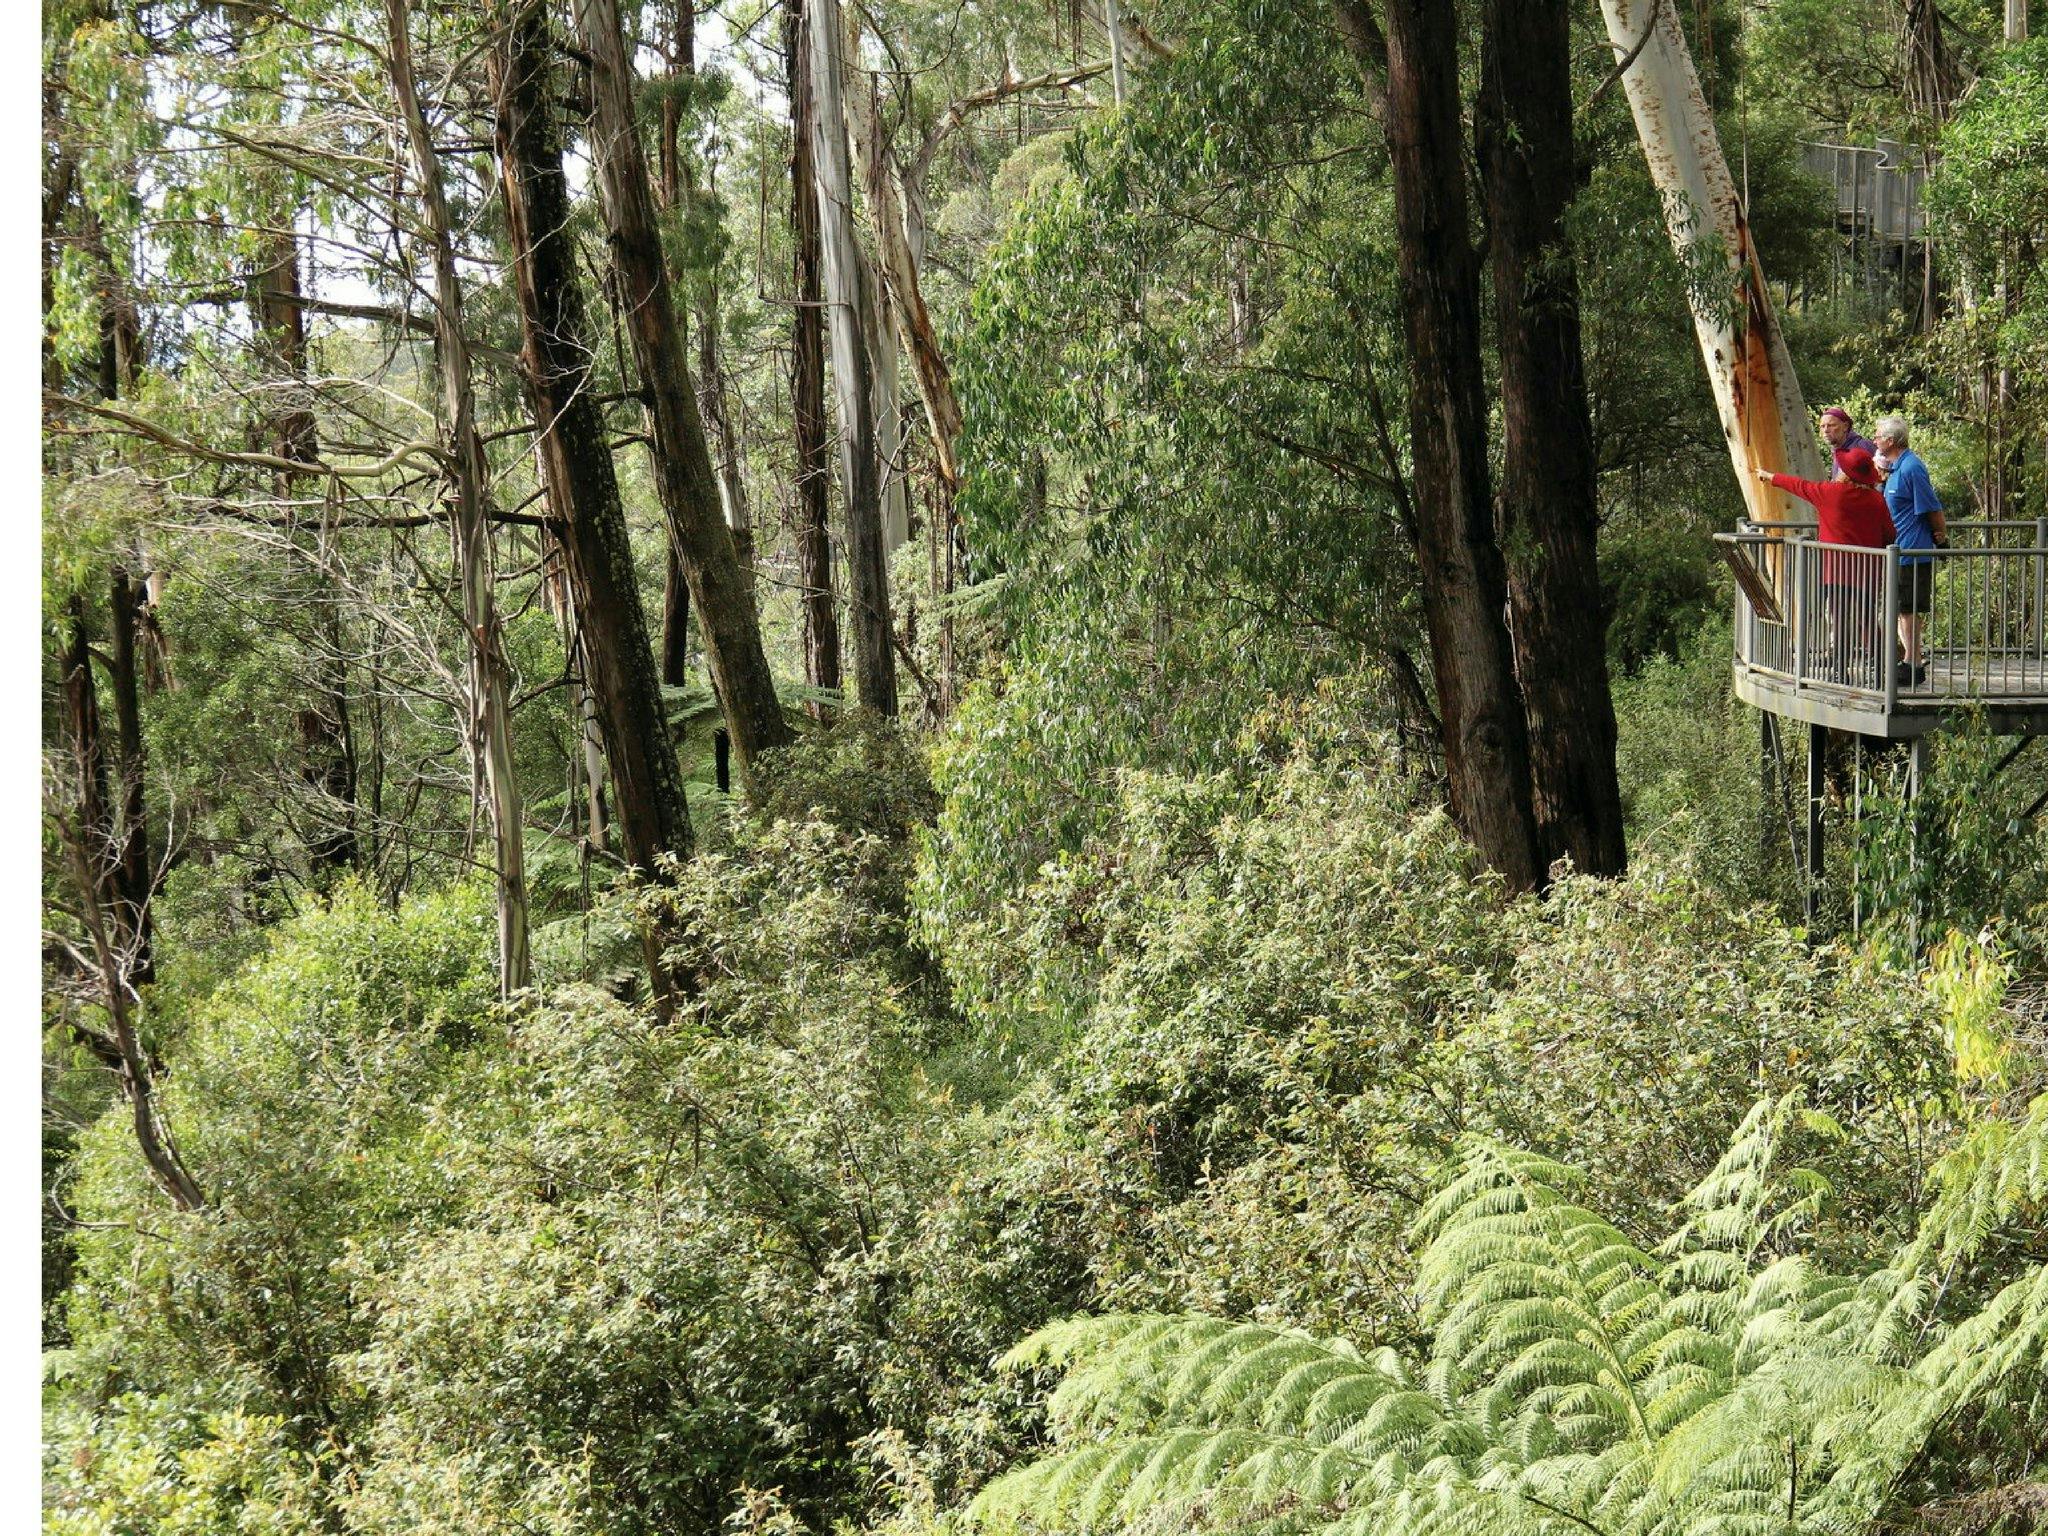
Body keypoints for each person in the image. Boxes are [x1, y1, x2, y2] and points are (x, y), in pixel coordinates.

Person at [1752, 445, 1895, 687]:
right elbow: (1890, 534)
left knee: (1839, 618)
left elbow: (1799, 485)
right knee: (1868, 618)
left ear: (1846, 473)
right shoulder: (1876, 499)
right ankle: (1881, 671)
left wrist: (1770, 477)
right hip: (1868, 569)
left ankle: (1841, 671)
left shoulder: (1829, 493)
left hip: (1836, 570)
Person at [1870, 415, 1948, 687]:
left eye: (1878, 436)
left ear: (1890, 441)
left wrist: (1941, 539)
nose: (1875, 440)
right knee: (1901, 609)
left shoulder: (1912, 467)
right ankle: (1909, 661)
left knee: (1909, 609)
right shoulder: (1894, 468)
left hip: (1912, 551)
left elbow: (1932, 506)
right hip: (1897, 552)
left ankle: (1913, 664)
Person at [1820, 406, 1876, 480]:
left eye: (1831, 425)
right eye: (1822, 426)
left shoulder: (1863, 446)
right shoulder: (1837, 450)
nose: (1826, 430)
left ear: (1845, 426)